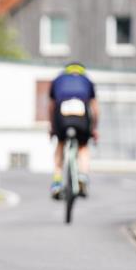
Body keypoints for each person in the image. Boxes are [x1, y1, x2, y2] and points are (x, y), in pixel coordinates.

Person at [48, 62, 99, 199]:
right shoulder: (87, 80)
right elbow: (95, 108)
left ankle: (57, 182)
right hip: (81, 117)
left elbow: (52, 106)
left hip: (61, 116)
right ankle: (82, 176)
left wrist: (52, 128)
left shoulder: (58, 80)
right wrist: (94, 129)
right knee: (83, 147)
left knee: (60, 144)